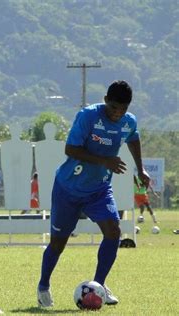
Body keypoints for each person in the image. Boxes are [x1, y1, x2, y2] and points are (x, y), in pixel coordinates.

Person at [37, 80, 150, 308]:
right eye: (114, 108)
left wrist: (141, 168)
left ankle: (99, 286)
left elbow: (133, 137)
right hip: (68, 188)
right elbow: (70, 149)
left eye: (123, 109)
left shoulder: (128, 122)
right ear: (106, 100)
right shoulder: (88, 116)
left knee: (113, 231)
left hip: (98, 190)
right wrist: (105, 161)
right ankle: (43, 287)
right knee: (58, 244)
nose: (118, 113)